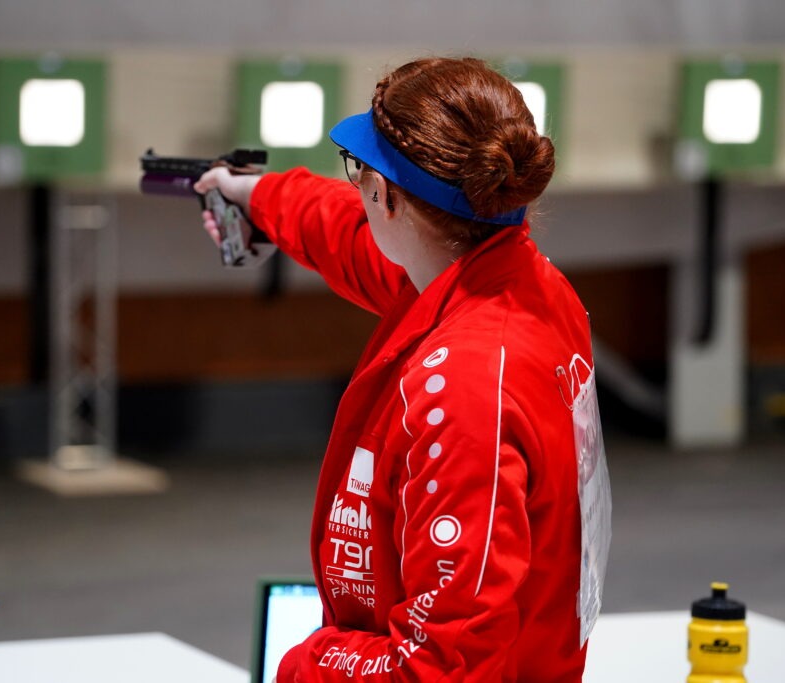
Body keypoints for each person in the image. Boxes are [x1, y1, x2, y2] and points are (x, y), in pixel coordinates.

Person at [195, 56, 611, 682]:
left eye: (358, 172)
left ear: (386, 196)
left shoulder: (468, 383)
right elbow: (345, 231)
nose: (356, 191)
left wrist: (306, 665)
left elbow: (444, 667)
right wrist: (255, 196)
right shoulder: (516, 283)